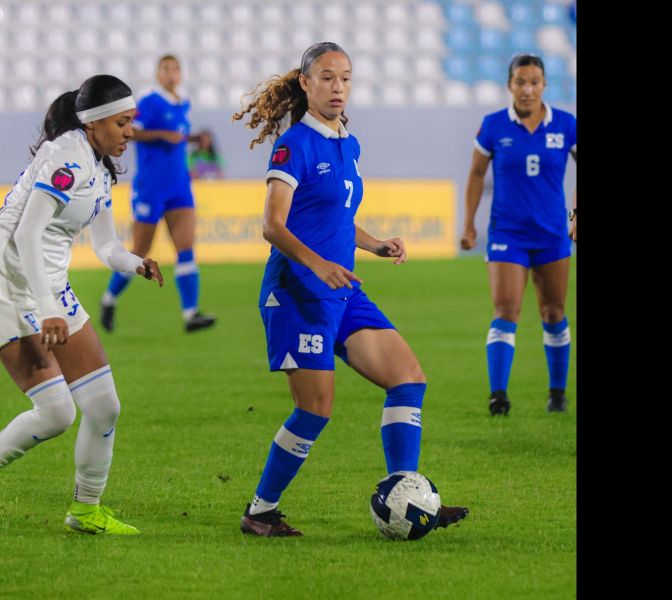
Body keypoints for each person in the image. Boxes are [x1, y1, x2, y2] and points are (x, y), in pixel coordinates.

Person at [231, 42, 469, 536]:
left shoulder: (348, 142)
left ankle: (406, 493)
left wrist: (374, 243)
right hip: (298, 293)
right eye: (327, 78)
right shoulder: (294, 145)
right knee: (314, 410)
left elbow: (336, 218)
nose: (338, 87)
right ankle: (260, 511)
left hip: (342, 292)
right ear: (306, 83)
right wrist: (319, 266)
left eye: (345, 78)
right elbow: (273, 226)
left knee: (408, 378)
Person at [0, 74, 164, 535]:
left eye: (131, 121)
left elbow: (106, 244)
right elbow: (26, 233)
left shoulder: (99, 164)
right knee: (57, 413)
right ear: (94, 123)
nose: (130, 131)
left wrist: (134, 263)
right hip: (4, 288)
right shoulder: (67, 157)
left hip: (49, 292)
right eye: (122, 122)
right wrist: (46, 307)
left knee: (104, 407)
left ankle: (86, 510)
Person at [460, 54, 577, 415]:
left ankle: (557, 394)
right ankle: (499, 396)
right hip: (507, 234)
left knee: (554, 312)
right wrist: (469, 222)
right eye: (520, 82)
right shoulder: (494, 125)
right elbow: (477, 174)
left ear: (544, 85)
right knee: (506, 311)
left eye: (535, 82)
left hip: (553, 234)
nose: (527, 89)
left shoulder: (567, 124)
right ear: (509, 85)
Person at [100, 55, 216, 333]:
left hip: (179, 187)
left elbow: (176, 136)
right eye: (165, 69)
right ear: (157, 74)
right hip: (151, 187)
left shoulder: (183, 103)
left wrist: (193, 139)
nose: (171, 74)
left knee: (186, 248)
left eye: (175, 69)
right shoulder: (150, 101)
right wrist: (163, 135)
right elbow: (130, 132)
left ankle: (191, 314)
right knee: (140, 251)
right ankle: (109, 299)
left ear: (181, 73)